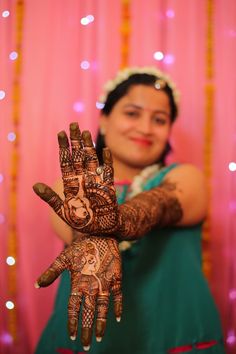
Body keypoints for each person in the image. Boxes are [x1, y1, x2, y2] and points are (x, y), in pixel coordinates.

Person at [33, 67, 226, 354]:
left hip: (175, 337)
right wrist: (91, 231)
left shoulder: (185, 179)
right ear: (105, 120)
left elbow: (161, 204)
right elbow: (77, 227)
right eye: (132, 113)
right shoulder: (72, 188)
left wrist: (116, 221)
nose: (146, 128)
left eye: (159, 119)